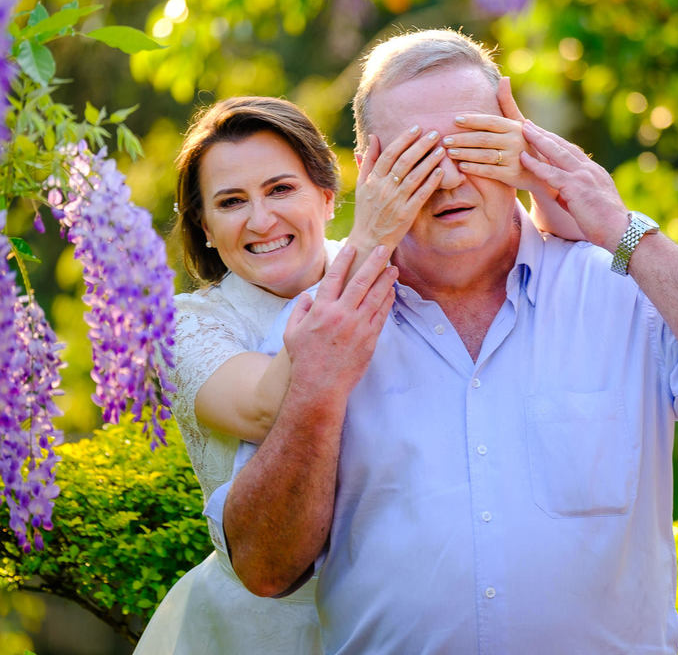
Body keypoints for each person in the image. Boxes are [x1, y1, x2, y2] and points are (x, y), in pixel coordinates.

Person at [207, 29, 678, 654]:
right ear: (369, 168)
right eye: (416, 158)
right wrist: (319, 386)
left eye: (473, 146)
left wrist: (617, 224)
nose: (447, 179)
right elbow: (264, 568)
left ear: (515, 139)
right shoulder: (321, 324)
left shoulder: (619, 289)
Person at [134, 93, 577, 654]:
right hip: (259, 628)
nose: (261, 219)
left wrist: (529, 169)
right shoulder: (184, 328)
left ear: (325, 193)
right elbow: (272, 406)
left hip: (402, 622)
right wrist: (372, 240)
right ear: (204, 227)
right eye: (230, 202)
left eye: (280, 189)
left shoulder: (392, 267)